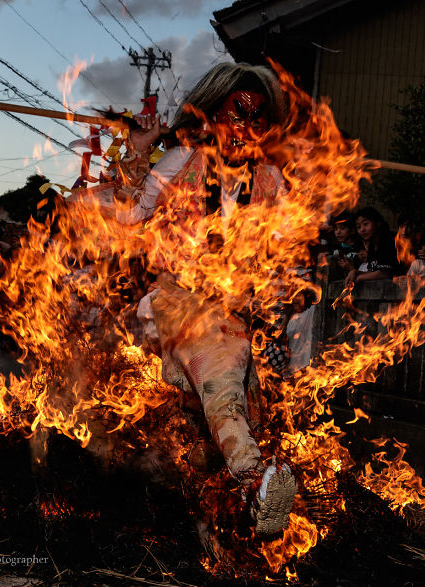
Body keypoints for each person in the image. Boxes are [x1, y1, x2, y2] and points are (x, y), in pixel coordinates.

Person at [115, 62, 296, 535]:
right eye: (236, 114)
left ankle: (211, 523)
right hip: (182, 303)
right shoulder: (181, 162)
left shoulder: (272, 179)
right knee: (221, 385)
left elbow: (283, 244)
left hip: (234, 314)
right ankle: (253, 476)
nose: (245, 129)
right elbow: (130, 214)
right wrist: (138, 152)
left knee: (200, 430)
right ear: (214, 115)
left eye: (257, 120)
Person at [343, 207, 405, 286]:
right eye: (358, 227)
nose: (362, 229)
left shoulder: (389, 241)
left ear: (377, 223)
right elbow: (373, 272)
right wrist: (355, 272)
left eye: (365, 224)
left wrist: (359, 278)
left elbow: (384, 273)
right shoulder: (372, 246)